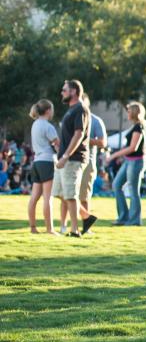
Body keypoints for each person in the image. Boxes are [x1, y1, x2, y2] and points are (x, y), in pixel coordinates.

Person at [51, 80, 93, 238]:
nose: (62, 92)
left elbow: (79, 134)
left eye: (64, 90)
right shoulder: (70, 110)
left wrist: (66, 155)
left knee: (70, 194)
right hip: (64, 157)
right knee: (59, 192)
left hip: (73, 159)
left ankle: (75, 231)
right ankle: (87, 217)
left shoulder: (80, 109)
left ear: (74, 91)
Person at [108, 102, 146, 226]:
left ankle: (134, 220)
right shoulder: (134, 126)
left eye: (129, 111)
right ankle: (123, 217)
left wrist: (114, 155)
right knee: (116, 185)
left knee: (133, 190)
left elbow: (133, 147)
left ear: (135, 113)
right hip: (129, 161)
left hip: (136, 162)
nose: (128, 113)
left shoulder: (139, 127)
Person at [27, 100, 60, 235]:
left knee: (34, 197)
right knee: (48, 198)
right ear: (48, 111)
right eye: (51, 110)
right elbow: (58, 145)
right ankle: (50, 229)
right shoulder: (48, 126)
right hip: (47, 161)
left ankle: (33, 227)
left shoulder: (34, 124)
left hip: (37, 162)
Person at [78, 94, 107, 235]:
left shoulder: (95, 121)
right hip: (72, 161)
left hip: (88, 162)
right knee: (68, 195)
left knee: (84, 196)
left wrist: (83, 139)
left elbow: (103, 142)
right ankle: (65, 226)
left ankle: (86, 226)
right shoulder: (72, 118)